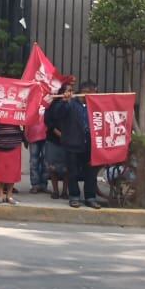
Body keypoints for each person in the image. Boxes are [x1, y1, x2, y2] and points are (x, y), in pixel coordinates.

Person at [48, 79, 100, 208]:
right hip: (72, 144)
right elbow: (57, 114)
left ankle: (90, 197)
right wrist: (64, 101)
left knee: (91, 174)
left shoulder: (95, 105)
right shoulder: (71, 103)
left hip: (90, 145)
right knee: (73, 172)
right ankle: (74, 196)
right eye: (92, 93)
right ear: (84, 92)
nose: (94, 95)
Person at [43, 80, 74, 200]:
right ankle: (55, 191)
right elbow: (48, 120)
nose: (70, 93)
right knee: (53, 167)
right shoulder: (53, 105)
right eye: (68, 90)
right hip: (53, 139)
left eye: (71, 91)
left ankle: (65, 191)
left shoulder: (74, 104)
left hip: (69, 140)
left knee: (67, 168)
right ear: (62, 92)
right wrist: (57, 132)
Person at [0, 121, 25, 204]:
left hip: (14, 143)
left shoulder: (17, 111)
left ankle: (9, 195)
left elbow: (24, 121)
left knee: (12, 171)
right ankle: (0, 195)